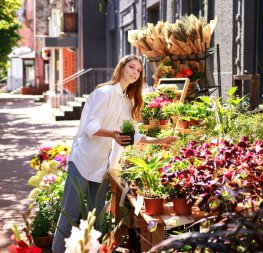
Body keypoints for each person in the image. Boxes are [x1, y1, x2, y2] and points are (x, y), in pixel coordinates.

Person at [52, 55, 177, 252]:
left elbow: (132, 134)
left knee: (97, 217)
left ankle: (90, 250)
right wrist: (113, 134)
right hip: (83, 160)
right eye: (132, 67)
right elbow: (90, 127)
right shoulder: (104, 93)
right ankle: (57, 250)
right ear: (122, 67)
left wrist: (160, 141)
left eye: (138, 71)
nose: (135, 73)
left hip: (102, 165)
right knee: (70, 211)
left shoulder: (127, 101)